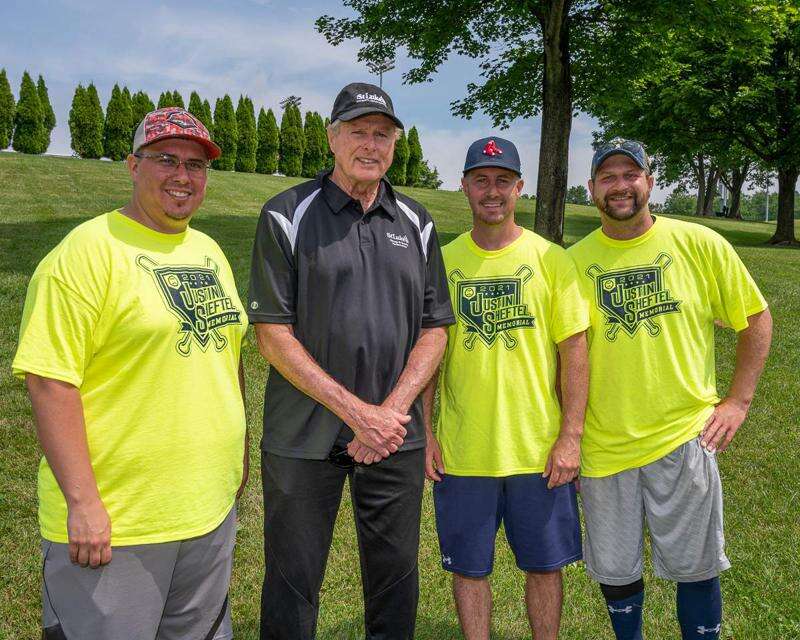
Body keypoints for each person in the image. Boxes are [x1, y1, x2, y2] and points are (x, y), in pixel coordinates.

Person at [12, 107, 248, 640]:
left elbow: (228, 353)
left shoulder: (209, 252)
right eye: (166, 159)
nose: (182, 176)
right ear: (132, 166)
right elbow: (50, 381)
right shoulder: (84, 255)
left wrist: (240, 451)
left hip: (207, 513)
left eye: (196, 164)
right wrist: (83, 504)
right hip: (118, 524)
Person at [248, 82, 454, 640]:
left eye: (382, 135)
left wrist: (388, 413)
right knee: (292, 580)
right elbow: (271, 334)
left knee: (394, 580)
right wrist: (357, 412)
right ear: (333, 138)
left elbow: (435, 328)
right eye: (359, 132)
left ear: (395, 145)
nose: (371, 144)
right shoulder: (286, 215)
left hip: (394, 437)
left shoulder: (417, 220)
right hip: (303, 433)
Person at [568, 139, 773, 640]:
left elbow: (756, 318)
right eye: (608, 177)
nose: (620, 186)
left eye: (630, 174)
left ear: (650, 182)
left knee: (696, 565)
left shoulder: (699, 244)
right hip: (603, 444)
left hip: (683, 437)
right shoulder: (570, 262)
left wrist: (738, 401)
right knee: (615, 571)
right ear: (593, 188)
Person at [423, 137, 589, 640]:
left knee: (543, 565)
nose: (491, 191)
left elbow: (574, 354)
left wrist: (571, 436)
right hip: (464, 448)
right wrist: (425, 432)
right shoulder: (442, 261)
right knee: (469, 568)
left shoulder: (552, 260)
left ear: (520, 188)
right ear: (465, 187)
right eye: (481, 180)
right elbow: (430, 354)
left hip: (536, 449)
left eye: (502, 181)